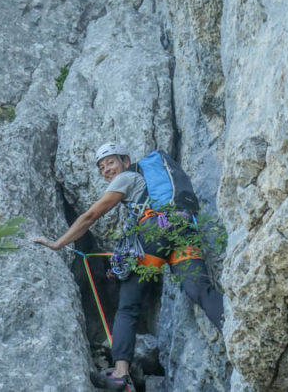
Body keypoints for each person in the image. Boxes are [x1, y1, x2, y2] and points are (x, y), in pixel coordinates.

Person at [30, 142, 224, 392]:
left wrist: (58, 243)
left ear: (125, 160)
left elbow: (90, 216)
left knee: (128, 307)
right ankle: (230, 324)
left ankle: (121, 375)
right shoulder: (147, 190)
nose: (106, 170)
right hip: (181, 230)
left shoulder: (127, 179)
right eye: (101, 167)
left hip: (155, 232)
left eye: (110, 162)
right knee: (198, 289)